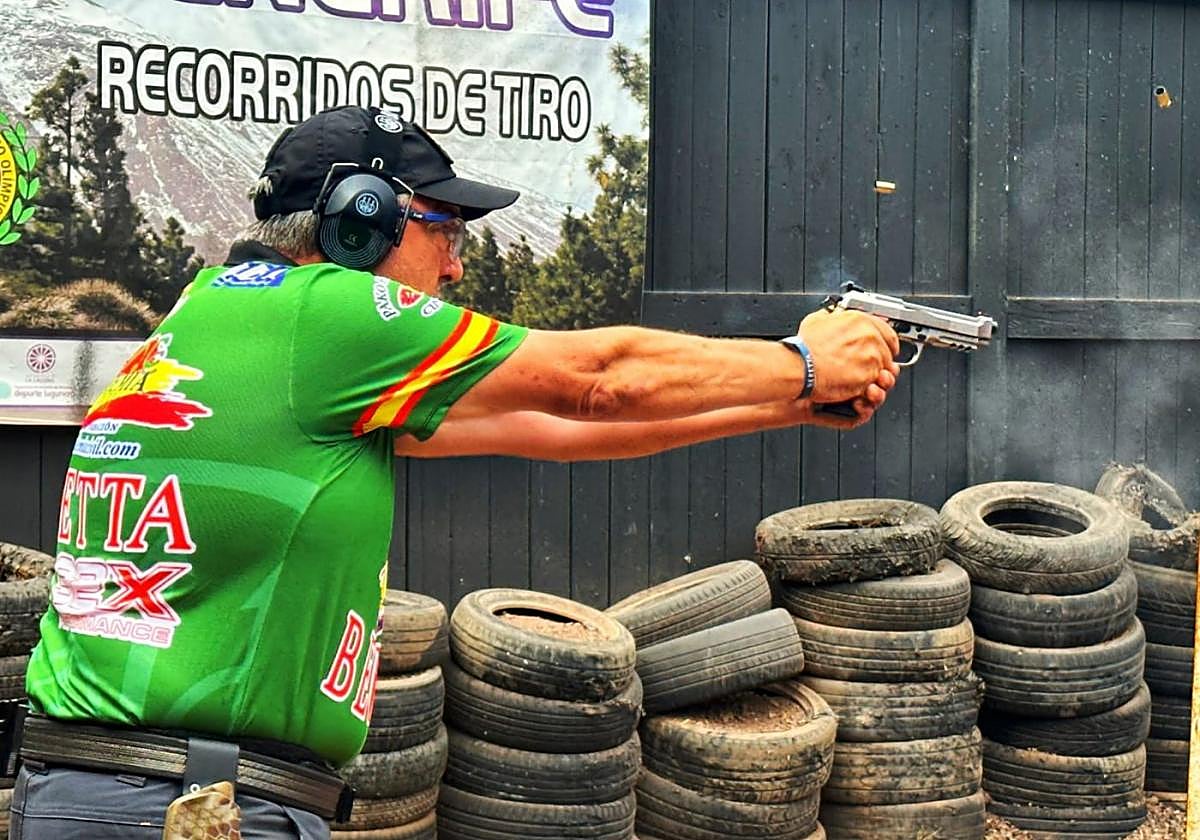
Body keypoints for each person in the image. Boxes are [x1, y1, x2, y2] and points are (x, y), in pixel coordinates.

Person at [7, 105, 900, 839]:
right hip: (183, 805)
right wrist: (804, 360)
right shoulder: (327, 315)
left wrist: (787, 407)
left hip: (111, 792)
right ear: (362, 220)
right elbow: (598, 380)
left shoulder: (216, 318)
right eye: (440, 226)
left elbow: (550, 426)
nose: (457, 258)